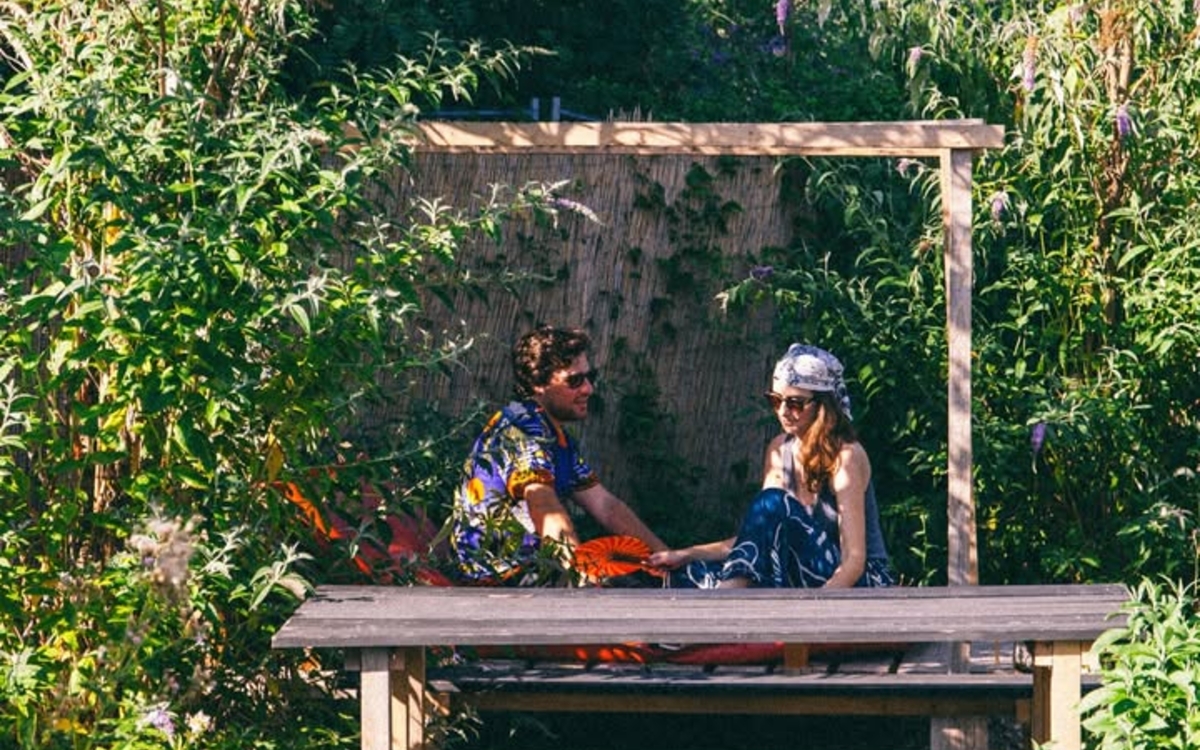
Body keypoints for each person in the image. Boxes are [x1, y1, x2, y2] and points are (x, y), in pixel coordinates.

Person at [648, 344, 894, 589]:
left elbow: (854, 560)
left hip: (856, 580)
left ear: (822, 406)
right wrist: (687, 554)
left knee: (773, 501)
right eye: (776, 400)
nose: (784, 412)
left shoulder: (846, 456)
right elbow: (757, 536)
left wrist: (820, 606)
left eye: (795, 403)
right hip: (801, 571)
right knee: (689, 574)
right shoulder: (779, 449)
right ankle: (729, 591)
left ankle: (727, 595)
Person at [451, 325, 667, 584]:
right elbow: (542, 503)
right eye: (574, 380)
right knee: (628, 594)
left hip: (532, 566)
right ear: (538, 384)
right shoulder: (521, 429)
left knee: (638, 577)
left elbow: (606, 506)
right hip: (497, 575)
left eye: (590, 377)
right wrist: (579, 571)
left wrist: (667, 558)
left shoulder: (556, 437)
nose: (588, 389)